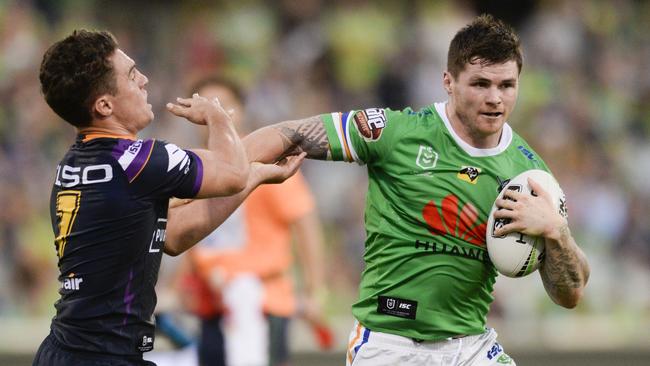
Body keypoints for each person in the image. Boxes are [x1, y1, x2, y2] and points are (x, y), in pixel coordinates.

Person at [241, 14, 590, 365]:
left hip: (470, 346)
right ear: (448, 82)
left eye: (506, 86)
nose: (494, 98)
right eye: (480, 84)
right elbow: (291, 133)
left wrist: (556, 232)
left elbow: (571, 293)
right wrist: (213, 168)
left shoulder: (529, 174)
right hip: (389, 345)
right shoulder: (397, 133)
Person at [33, 30, 304, 366]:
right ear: (104, 105)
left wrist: (258, 176)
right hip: (105, 356)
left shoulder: (73, 165)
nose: (144, 80)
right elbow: (233, 172)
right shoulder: (139, 160)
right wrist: (218, 116)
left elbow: (173, 235)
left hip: (67, 351)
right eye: (132, 75)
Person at [178, 76, 330, 366]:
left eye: (221, 106)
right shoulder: (193, 166)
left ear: (240, 111)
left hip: (262, 301)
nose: (210, 116)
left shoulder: (263, 158)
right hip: (212, 303)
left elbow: (305, 222)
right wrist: (185, 280)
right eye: (202, 107)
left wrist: (314, 291)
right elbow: (195, 229)